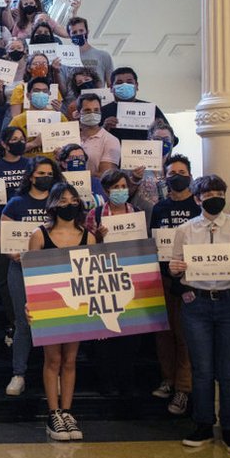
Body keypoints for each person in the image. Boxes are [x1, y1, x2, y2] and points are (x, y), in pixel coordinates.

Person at [167, 175, 230, 454]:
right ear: (198, 199)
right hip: (197, 304)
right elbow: (175, 267)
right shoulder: (186, 230)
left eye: (219, 192)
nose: (215, 196)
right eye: (208, 193)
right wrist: (175, 269)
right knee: (201, 369)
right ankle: (202, 423)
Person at [28, 183, 94, 441]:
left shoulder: (88, 236)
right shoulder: (39, 234)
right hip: (49, 306)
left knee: (70, 360)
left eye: (73, 199)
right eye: (63, 200)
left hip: (77, 305)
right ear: (53, 204)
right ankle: (53, 413)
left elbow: (92, 274)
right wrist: (30, 304)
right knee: (52, 360)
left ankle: (68, 412)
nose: (68, 204)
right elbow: (30, 275)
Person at [0, 157, 64, 396]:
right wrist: (11, 252)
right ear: (30, 176)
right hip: (21, 269)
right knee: (22, 322)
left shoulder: (59, 202)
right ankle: (19, 374)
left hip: (53, 269)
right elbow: (1, 237)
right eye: (40, 173)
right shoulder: (16, 203)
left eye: (49, 173)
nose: (45, 177)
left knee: (55, 322)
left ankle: (55, 374)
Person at [148, 154, 199, 416]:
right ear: (165, 178)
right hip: (164, 277)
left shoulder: (198, 206)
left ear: (189, 175)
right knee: (164, 333)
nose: (176, 176)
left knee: (184, 335)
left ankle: (183, 388)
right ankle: (168, 380)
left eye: (181, 172)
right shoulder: (159, 208)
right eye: (171, 173)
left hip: (190, 279)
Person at [85, 168, 141, 396]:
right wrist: (98, 236)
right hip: (104, 278)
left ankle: (126, 380)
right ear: (107, 191)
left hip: (130, 277)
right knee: (104, 331)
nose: (120, 191)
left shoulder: (136, 212)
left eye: (123, 186)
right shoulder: (95, 214)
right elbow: (86, 248)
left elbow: (142, 245)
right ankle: (106, 381)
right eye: (115, 187)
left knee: (131, 334)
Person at [0, 127, 30, 344]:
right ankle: (14, 322)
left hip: (30, 223)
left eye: (22, 139)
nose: (18, 142)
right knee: (5, 276)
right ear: (4, 143)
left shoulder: (32, 165)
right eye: (14, 139)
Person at [101, 67, 171, 142]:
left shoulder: (151, 109)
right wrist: (104, 129)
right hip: (113, 153)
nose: (125, 85)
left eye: (129, 82)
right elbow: (90, 142)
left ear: (136, 86)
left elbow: (173, 140)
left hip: (146, 153)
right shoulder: (103, 111)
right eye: (119, 83)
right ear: (111, 88)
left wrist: (161, 130)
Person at [77, 93, 122, 175]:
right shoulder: (70, 136)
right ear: (78, 113)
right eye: (87, 110)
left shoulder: (111, 140)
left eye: (96, 110)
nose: (92, 114)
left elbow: (105, 176)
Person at [66, 17, 113, 87]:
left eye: (81, 31)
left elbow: (111, 84)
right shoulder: (64, 58)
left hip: (97, 96)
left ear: (87, 32)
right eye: (74, 32)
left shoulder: (103, 56)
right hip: (74, 97)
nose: (78, 34)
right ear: (70, 35)